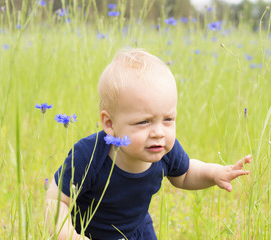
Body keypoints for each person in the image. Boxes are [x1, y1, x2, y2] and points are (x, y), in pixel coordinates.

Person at [45, 49, 251, 240]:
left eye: (168, 119)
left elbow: (185, 174)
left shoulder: (165, 151)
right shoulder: (88, 156)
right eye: (143, 122)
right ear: (110, 123)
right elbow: (56, 201)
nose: (159, 133)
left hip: (138, 232)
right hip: (88, 234)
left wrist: (214, 174)